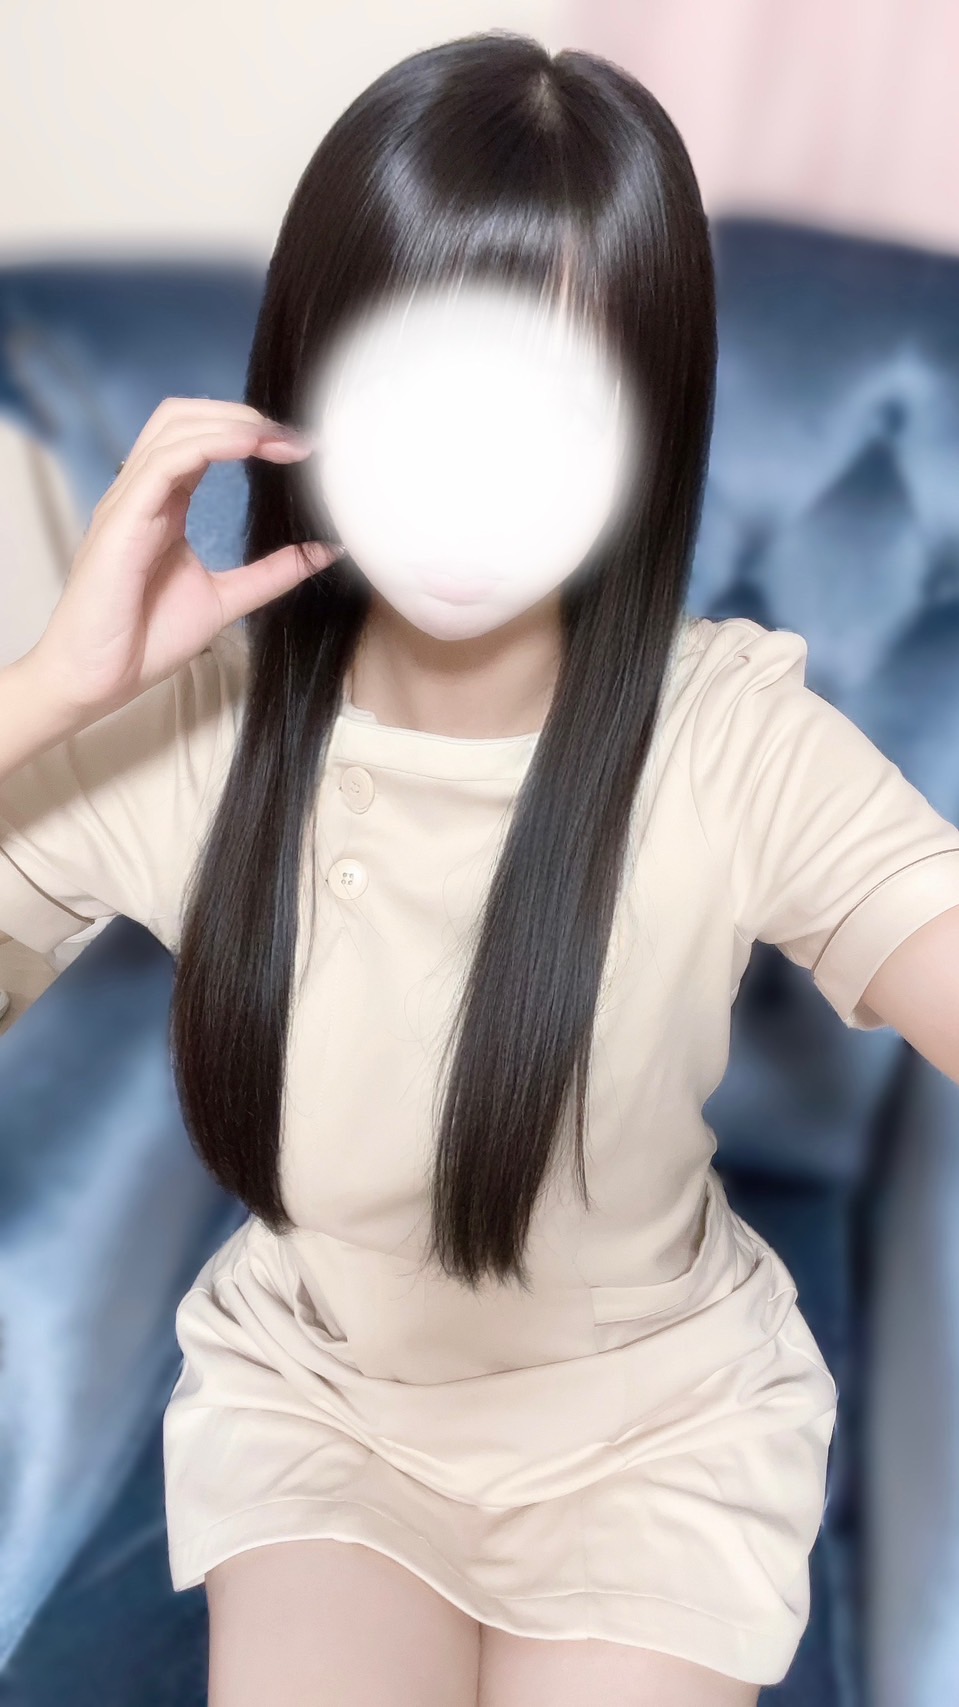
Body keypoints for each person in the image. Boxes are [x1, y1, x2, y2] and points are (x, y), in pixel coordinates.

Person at [3, 30, 959, 1707]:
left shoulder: (727, 731)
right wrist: (47, 696)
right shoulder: (192, 728)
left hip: (657, 1431)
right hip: (322, 1413)